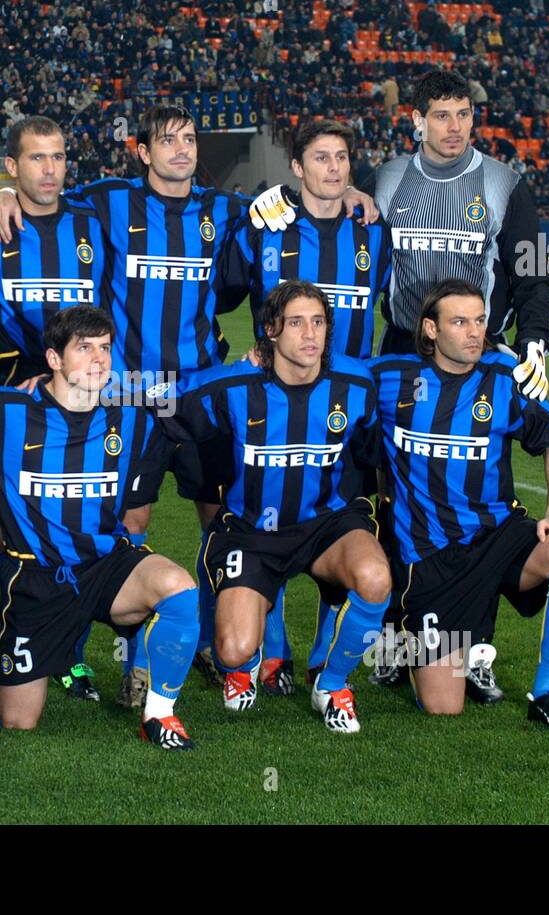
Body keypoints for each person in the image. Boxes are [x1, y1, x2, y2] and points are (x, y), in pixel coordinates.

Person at [0, 103, 377, 707]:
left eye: (190, 140)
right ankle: (123, 659)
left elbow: (305, 205)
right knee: (124, 524)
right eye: (167, 141)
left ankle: (246, 650)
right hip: (128, 396)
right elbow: (46, 191)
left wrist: (346, 186)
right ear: (142, 151)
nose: (182, 151)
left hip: (201, 394)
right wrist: (7, 192)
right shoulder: (108, 200)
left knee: (223, 516)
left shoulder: (228, 210)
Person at [250, 70, 549, 688]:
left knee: (475, 501)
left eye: (464, 114)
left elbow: (532, 270)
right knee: (388, 496)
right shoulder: (386, 180)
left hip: (476, 354)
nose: (454, 127)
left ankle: (474, 653)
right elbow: (328, 201)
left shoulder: (502, 183)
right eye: (440, 115)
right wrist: (272, 196)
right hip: (399, 354)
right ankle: (398, 635)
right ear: (415, 119)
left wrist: (536, 341)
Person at [0, 306, 202, 750]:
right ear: (54, 359)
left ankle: (159, 715)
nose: (99, 359)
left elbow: (200, 391)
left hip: (105, 568)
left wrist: (259, 363)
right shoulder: (5, 413)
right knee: (18, 722)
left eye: (104, 348)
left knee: (177, 587)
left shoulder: (132, 411)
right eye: (84, 348)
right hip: (38, 581)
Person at [163, 282, 391, 732]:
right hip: (252, 533)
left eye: (319, 322)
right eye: (296, 323)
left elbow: (371, 450)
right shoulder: (233, 384)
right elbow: (156, 403)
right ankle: (245, 666)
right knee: (232, 648)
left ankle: (333, 684)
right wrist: (59, 385)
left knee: (375, 577)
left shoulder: (355, 382)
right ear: (270, 331)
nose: (310, 334)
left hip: (328, 524)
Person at [369, 281, 549, 731]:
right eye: (460, 322)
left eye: (479, 320)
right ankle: (410, 642)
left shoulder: (502, 380)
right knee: (443, 707)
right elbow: (321, 380)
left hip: (496, 538)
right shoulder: (388, 377)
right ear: (430, 329)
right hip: (430, 560)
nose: (475, 332)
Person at [223, 119, 392, 695]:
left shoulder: (372, 230)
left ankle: (325, 653)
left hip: (347, 414)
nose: (333, 169)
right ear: (297, 167)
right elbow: (221, 289)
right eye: (321, 158)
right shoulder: (263, 225)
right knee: (266, 522)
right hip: (270, 407)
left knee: (341, 522)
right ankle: (273, 651)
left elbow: (389, 307)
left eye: (342, 158)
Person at [0, 115, 109, 701]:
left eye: (59, 157)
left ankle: (67, 653)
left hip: (81, 401)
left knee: (77, 524)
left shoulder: (94, 221)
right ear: (11, 166)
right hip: (12, 391)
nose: (50, 169)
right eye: (36, 159)